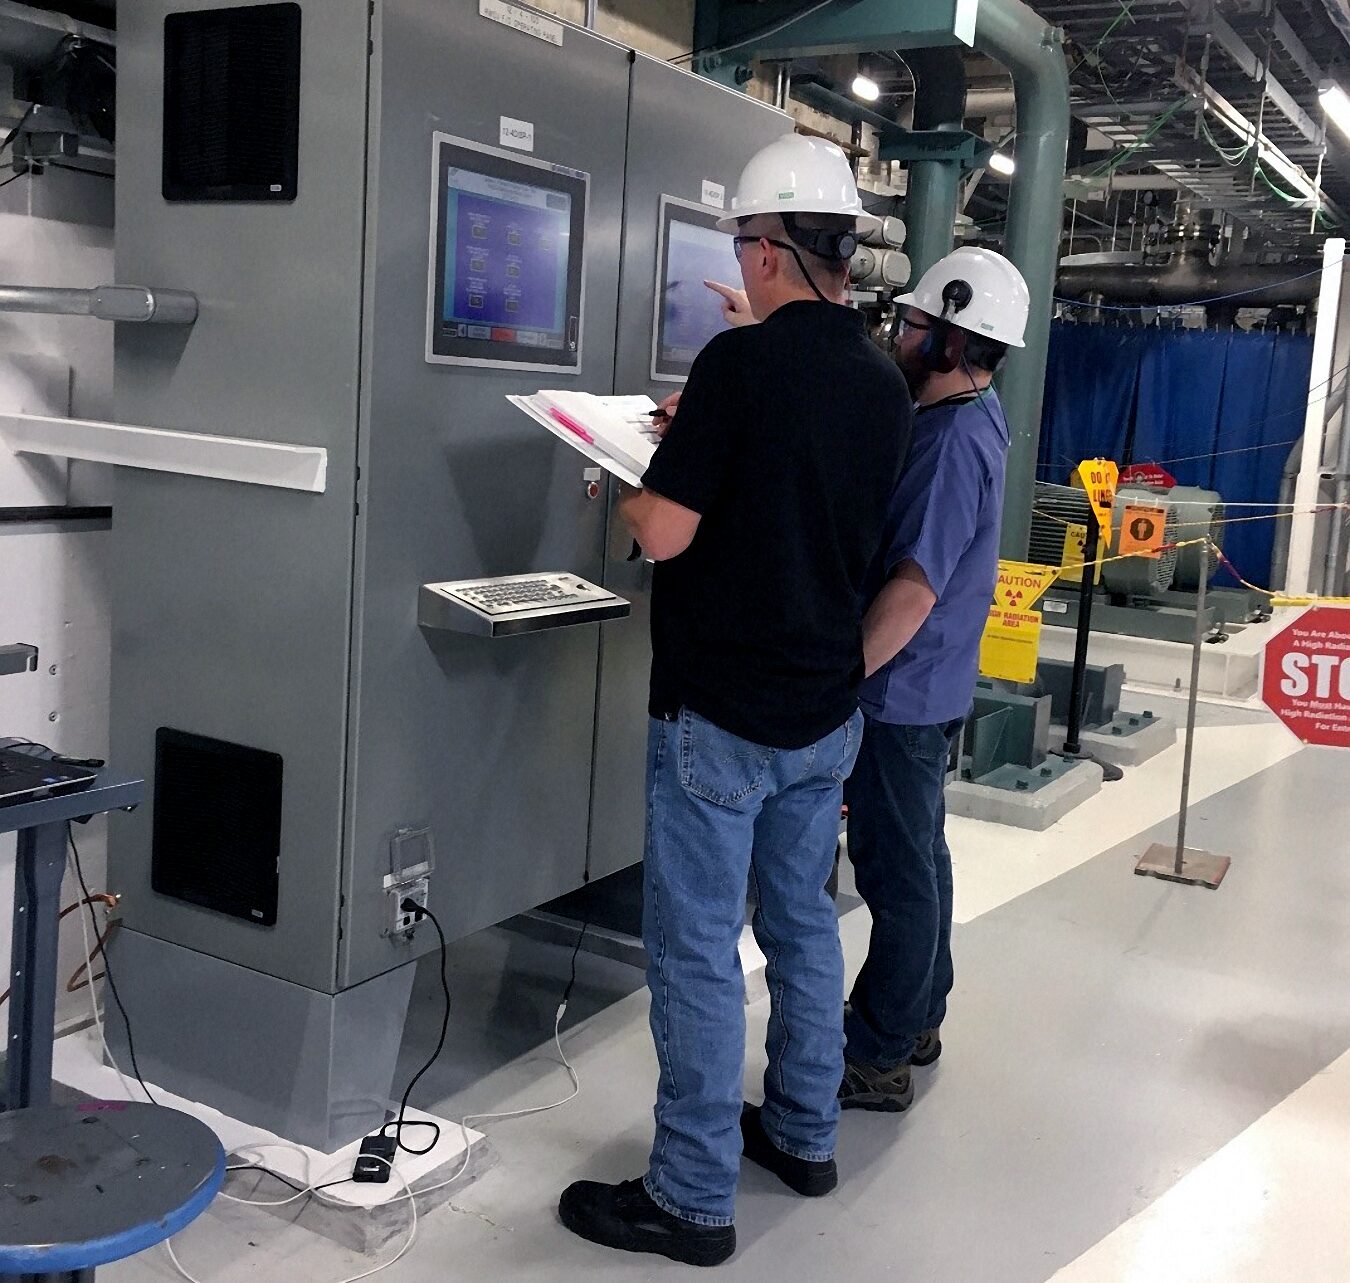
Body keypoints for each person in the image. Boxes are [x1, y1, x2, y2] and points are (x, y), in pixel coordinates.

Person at [558, 134, 912, 1267]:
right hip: (824, 711)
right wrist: (694, 437)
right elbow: (797, 491)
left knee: (699, 951)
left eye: (744, 242)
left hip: (718, 716)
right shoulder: (881, 378)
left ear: (767, 250)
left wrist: (618, 468)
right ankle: (805, 1134)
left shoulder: (737, 367)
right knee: (802, 920)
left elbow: (666, 532)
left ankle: (691, 1193)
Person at [835, 246, 1030, 1113]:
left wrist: (839, 680)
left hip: (903, 690)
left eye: (913, 326)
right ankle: (919, 1014)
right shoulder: (971, 414)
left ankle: (877, 1051)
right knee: (924, 856)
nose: (900, 336)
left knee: (896, 870)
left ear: (953, 341)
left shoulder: (951, 446)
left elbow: (913, 589)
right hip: (936, 683)